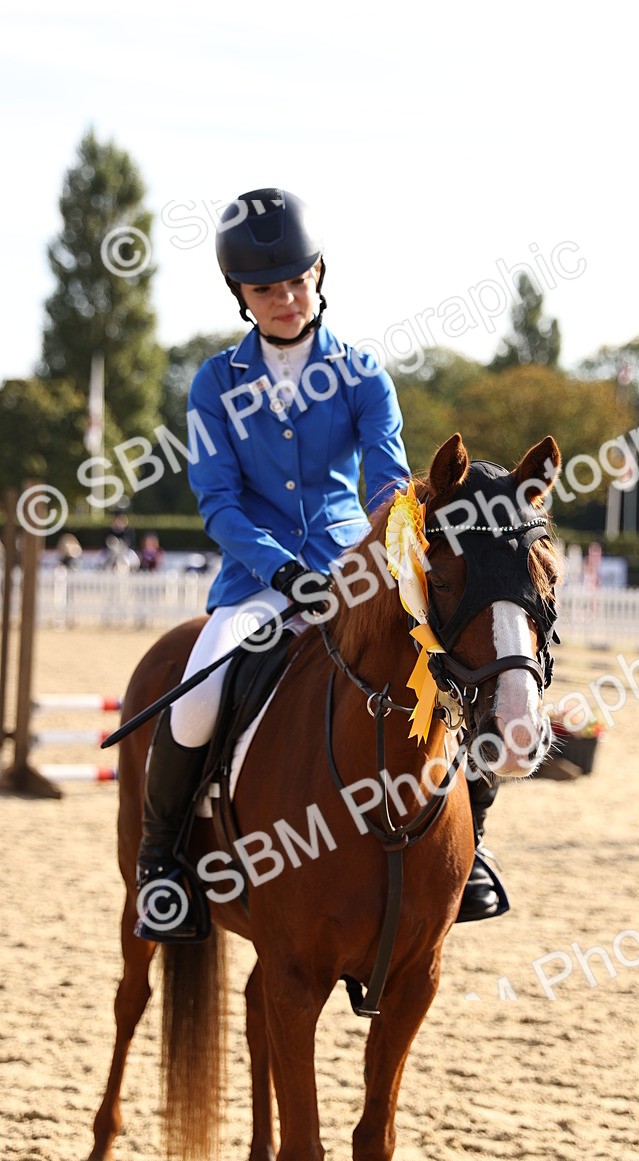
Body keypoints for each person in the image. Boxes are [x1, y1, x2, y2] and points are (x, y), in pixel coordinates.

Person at [135, 187, 505, 941]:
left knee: (450, 671)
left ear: (319, 275)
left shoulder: (365, 374)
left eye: (297, 281)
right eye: (267, 288)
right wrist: (278, 572)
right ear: (242, 295)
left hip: (356, 571)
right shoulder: (214, 385)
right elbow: (218, 503)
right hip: (256, 583)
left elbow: (391, 482)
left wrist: (375, 554)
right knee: (196, 698)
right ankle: (162, 864)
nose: (286, 298)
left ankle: (474, 851)